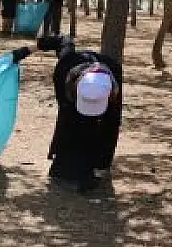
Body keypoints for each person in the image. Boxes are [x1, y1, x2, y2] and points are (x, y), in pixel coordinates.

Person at [40, 34, 122, 193]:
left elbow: (112, 125)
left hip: (102, 78)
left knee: (99, 127)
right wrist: (39, 44)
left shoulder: (114, 79)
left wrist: (102, 166)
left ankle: (92, 162)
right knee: (71, 120)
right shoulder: (64, 68)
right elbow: (64, 42)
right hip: (72, 90)